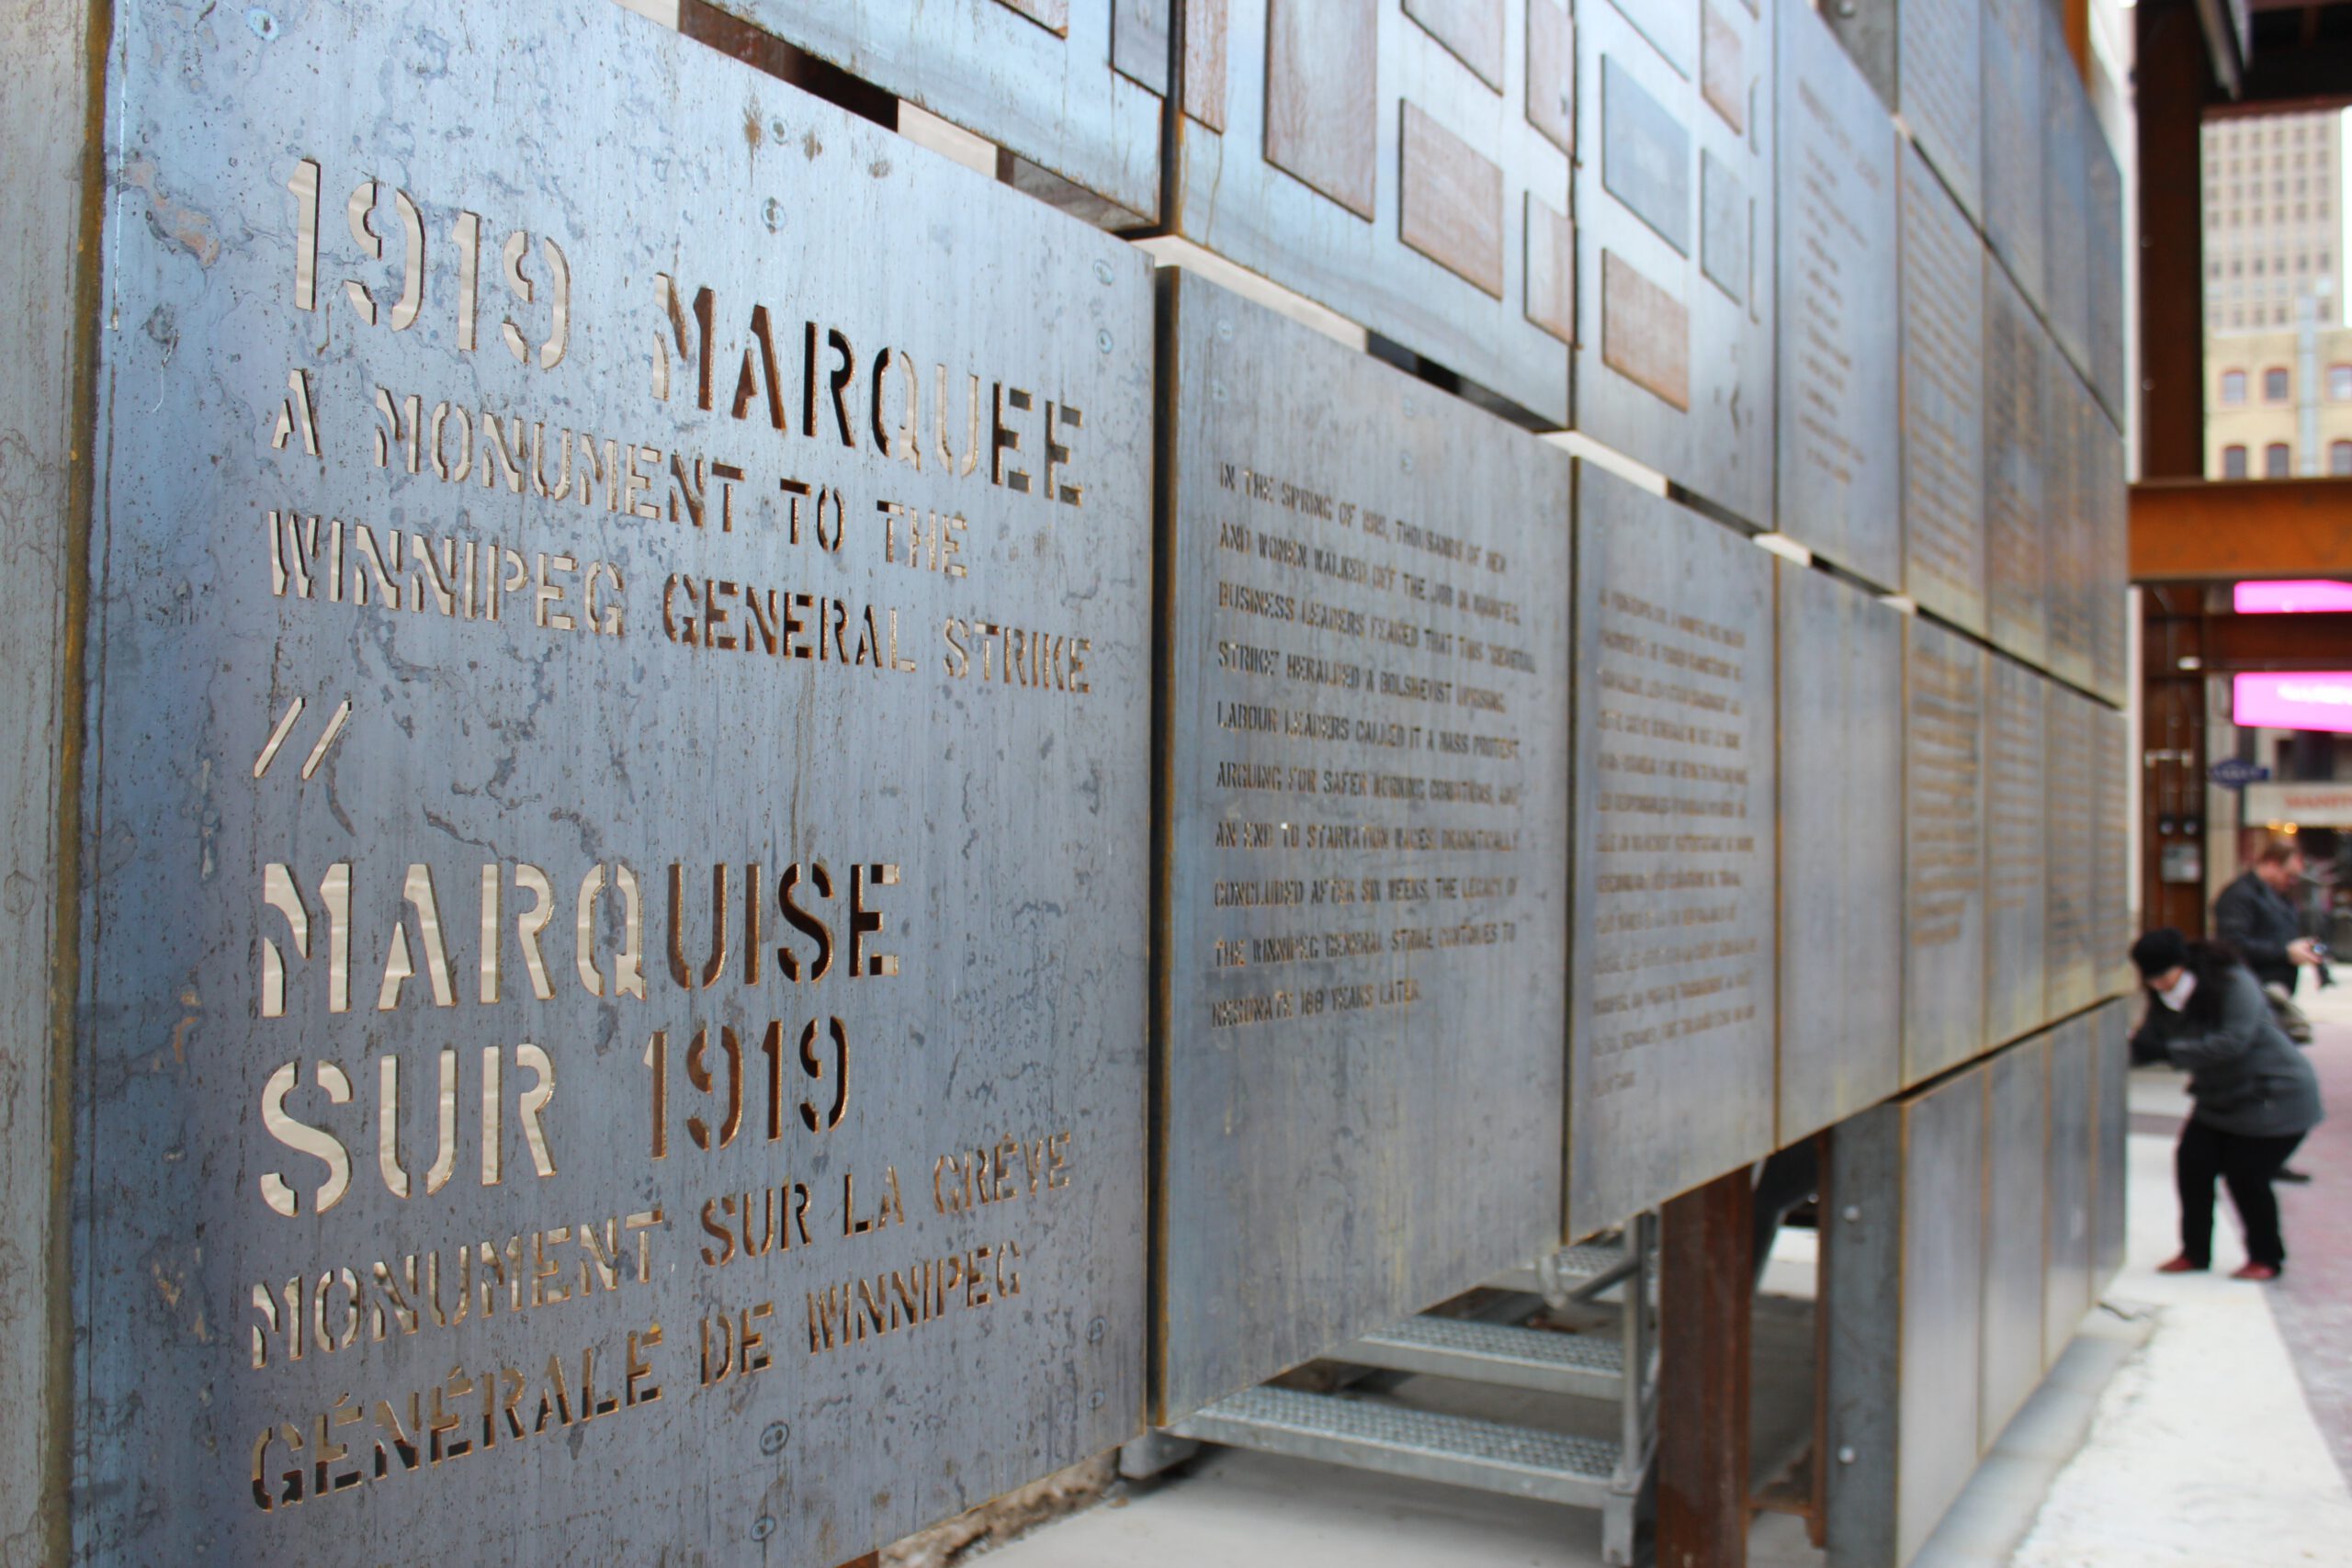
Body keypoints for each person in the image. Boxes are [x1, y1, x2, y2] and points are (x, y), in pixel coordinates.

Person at [2130, 929, 2324, 1280]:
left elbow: (2233, 1041)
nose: (2158, 984)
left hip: (2274, 1096)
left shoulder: (2231, 982)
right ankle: (2194, 1252)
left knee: (2246, 1175)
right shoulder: (2164, 998)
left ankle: (2266, 1258)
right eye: (2151, 978)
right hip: (2220, 1097)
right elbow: (2148, 1039)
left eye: (2163, 975)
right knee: (2193, 1164)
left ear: (2182, 964)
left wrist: (2170, 1053)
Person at [2213, 835, 2323, 1181]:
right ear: (2271, 863)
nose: (2292, 881)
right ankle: (2247, 1152)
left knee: (2268, 1078)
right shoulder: (2240, 895)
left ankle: (2261, 1152)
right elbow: (2233, 945)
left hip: (2272, 997)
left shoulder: (2276, 895)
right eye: (2288, 874)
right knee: (2264, 1077)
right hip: (2253, 999)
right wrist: (2283, 952)